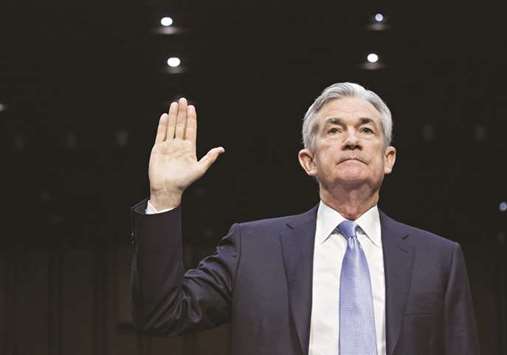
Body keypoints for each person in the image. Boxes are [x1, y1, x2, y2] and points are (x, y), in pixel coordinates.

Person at [130, 82, 479, 355]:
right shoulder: (253, 248)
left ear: (388, 158)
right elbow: (163, 313)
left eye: (367, 130)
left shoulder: (439, 259)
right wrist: (165, 197)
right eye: (334, 130)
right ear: (307, 161)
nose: (352, 140)